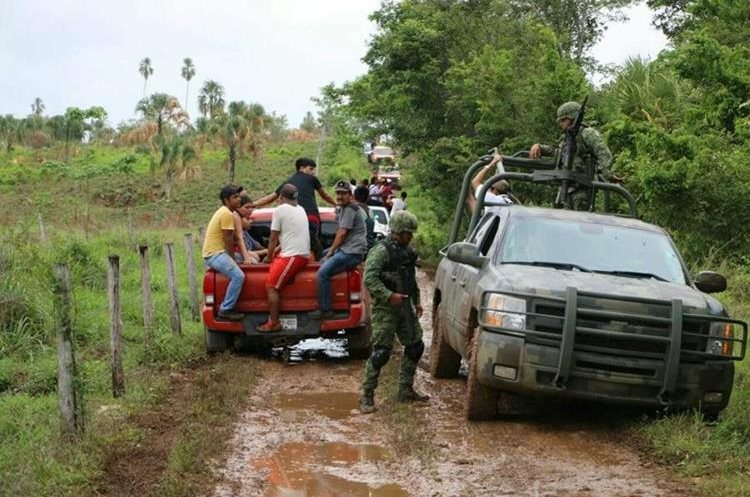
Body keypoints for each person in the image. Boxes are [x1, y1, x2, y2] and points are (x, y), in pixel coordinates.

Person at [360, 210, 429, 414]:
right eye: (409, 233)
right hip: (386, 309)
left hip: (405, 306)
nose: (411, 237)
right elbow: (369, 278)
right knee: (381, 353)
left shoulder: (407, 252)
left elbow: (410, 278)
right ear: (398, 232)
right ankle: (367, 396)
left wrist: (416, 301)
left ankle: (405, 389)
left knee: (416, 346)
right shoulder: (381, 251)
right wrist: (389, 295)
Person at [529, 101, 613, 211]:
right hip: (566, 186)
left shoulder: (587, 133)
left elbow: (604, 153)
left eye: (564, 120)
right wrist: (539, 147)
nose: (561, 123)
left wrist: (606, 175)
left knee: (579, 221)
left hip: (582, 188)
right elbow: (557, 151)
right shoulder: (568, 137)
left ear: (574, 118)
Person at [254, 157, 335, 260]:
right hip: (311, 218)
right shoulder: (311, 179)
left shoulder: (288, 183)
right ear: (301, 168)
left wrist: (253, 204)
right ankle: (319, 264)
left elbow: (271, 197)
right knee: (313, 246)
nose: (313, 172)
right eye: (310, 169)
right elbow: (325, 196)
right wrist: (336, 204)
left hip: (292, 222)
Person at [310, 180, 369, 320]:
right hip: (347, 249)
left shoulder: (350, 209)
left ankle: (326, 310)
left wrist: (331, 252)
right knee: (320, 256)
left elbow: (342, 234)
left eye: (343, 194)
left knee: (322, 273)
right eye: (338, 193)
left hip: (352, 252)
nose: (340, 196)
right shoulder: (344, 208)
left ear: (350, 195)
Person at [258, 184, 310, 332]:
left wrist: (268, 257)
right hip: (299, 254)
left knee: (271, 287)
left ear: (280, 197)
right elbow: (290, 236)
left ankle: (274, 323)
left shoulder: (280, 210)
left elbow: (273, 238)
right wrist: (276, 252)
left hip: (293, 256)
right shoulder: (301, 209)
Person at [202, 185, 246, 321]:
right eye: (235, 197)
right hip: (215, 254)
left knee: (246, 260)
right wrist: (232, 259)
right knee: (239, 276)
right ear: (226, 200)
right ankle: (226, 309)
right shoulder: (226, 213)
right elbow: (228, 239)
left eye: (239, 196)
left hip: (215, 252)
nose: (239, 199)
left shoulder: (225, 211)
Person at [234, 193, 267, 263]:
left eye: (251, 207)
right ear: (237, 208)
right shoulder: (234, 223)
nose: (250, 210)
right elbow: (240, 242)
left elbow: (256, 245)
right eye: (247, 207)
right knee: (254, 258)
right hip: (235, 257)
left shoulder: (245, 232)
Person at [354, 185, 376, 250]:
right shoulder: (370, 211)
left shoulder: (355, 210)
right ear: (367, 197)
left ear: (354, 196)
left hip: (358, 247)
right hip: (370, 246)